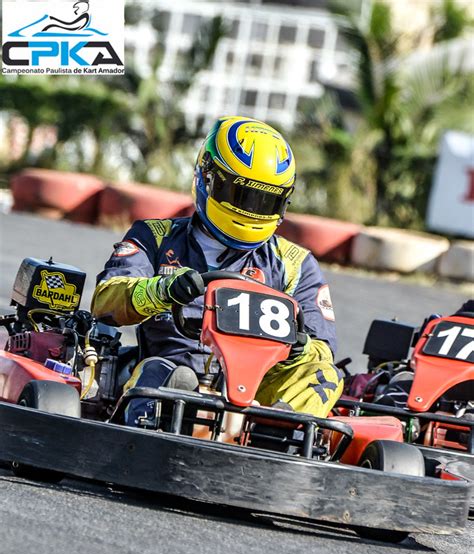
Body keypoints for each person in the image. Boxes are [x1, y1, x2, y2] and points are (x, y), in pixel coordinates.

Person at [92, 115, 343, 426]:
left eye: (265, 201)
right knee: (165, 373)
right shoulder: (155, 236)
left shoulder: (294, 263)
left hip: (256, 392)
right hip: (172, 368)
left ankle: (276, 441)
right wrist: (160, 291)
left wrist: (301, 346)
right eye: (241, 195)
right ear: (207, 178)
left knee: (322, 375)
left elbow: (322, 349)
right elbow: (106, 300)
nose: (251, 210)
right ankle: (145, 437)